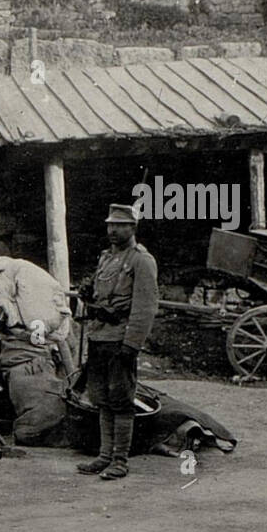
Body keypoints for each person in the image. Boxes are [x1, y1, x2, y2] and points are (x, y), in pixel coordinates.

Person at [76, 204, 159, 480]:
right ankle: (104, 456)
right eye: (110, 225)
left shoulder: (141, 261)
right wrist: (86, 294)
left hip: (120, 340)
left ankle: (120, 460)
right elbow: (99, 297)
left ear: (132, 228)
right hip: (99, 337)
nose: (112, 230)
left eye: (119, 225)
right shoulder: (106, 259)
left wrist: (131, 345)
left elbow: (145, 307)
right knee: (102, 399)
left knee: (121, 400)